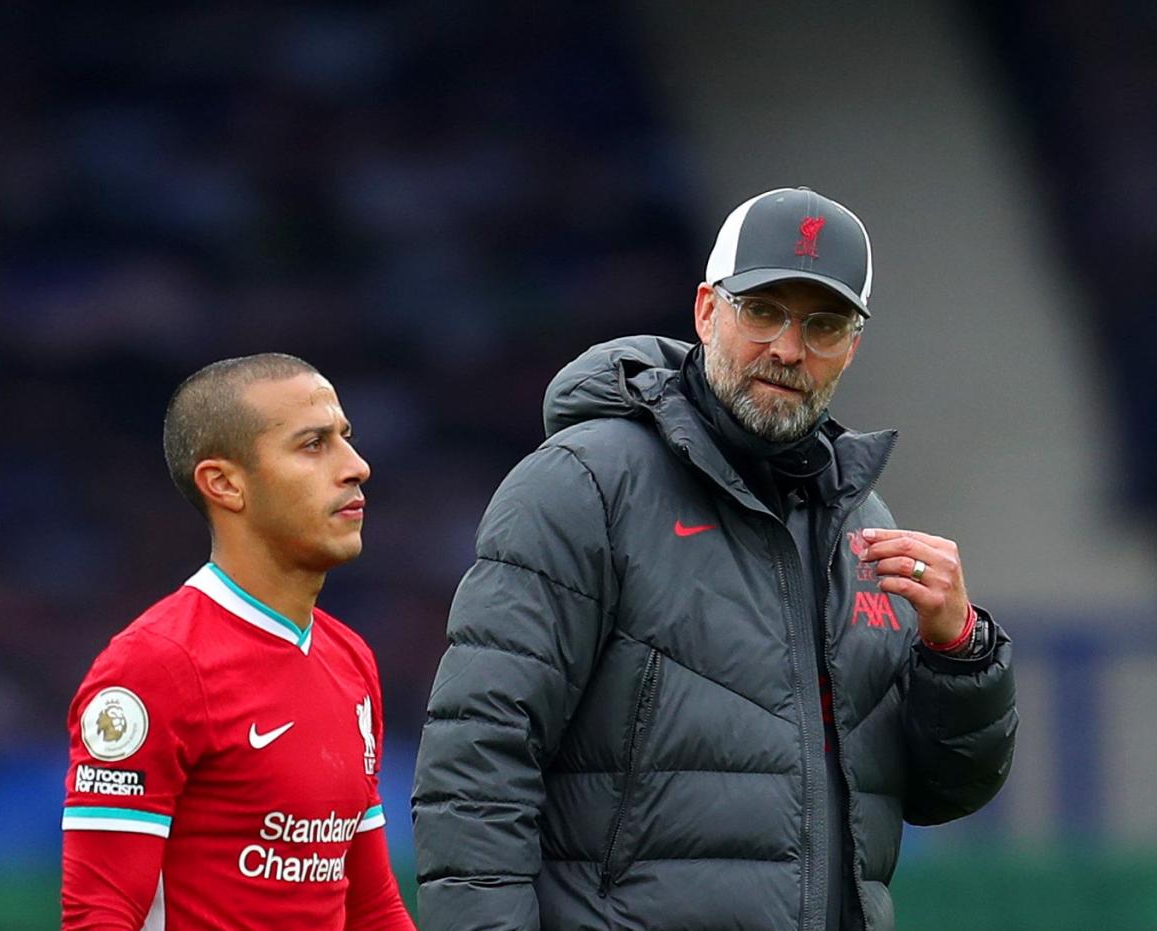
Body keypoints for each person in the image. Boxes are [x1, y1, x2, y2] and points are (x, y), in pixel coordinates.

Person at [412, 188, 1018, 931]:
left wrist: (959, 652)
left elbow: (931, 793)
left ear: (852, 347)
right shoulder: (584, 483)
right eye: (762, 311)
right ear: (706, 311)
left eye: (822, 325)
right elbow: (478, 758)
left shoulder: (863, 523)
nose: (789, 350)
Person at [61, 353, 416, 930]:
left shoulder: (350, 657)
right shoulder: (154, 664)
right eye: (313, 445)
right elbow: (97, 914)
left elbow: (371, 906)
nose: (357, 466)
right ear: (225, 484)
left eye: (346, 439)